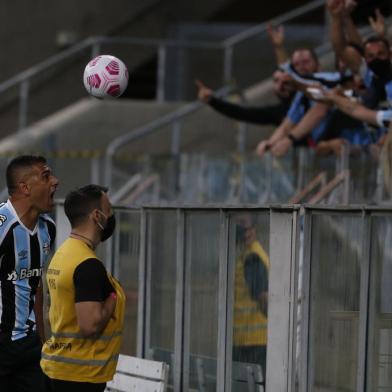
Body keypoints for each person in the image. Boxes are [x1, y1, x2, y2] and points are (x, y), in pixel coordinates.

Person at [41, 184, 125, 392]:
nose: (111, 216)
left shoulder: (62, 255)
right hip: (82, 375)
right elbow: (90, 325)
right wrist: (112, 298)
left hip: (60, 367)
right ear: (97, 216)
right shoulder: (88, 264)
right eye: (109, 211)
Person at [0, 155, 59, 392]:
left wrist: (42, 339)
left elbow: (36, 286)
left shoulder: (48, 229)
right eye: (46, 176)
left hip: (30, 345)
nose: (55, 181)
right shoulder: (3, 225)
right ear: (25, 187)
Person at [233, 215, 269, 379]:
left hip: (252, 342)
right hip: (248, 339)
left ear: (254, 230)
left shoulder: (252, 258)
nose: (242, 232)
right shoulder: (248, 254)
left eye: (245, 227)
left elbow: (263, 296)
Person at [195, 69, 295, 126]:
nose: (281, 84)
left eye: (285, 81)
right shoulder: (277, 112)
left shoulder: (306, 101)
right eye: (276, 80)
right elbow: (242, 113)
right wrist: (213, 101)